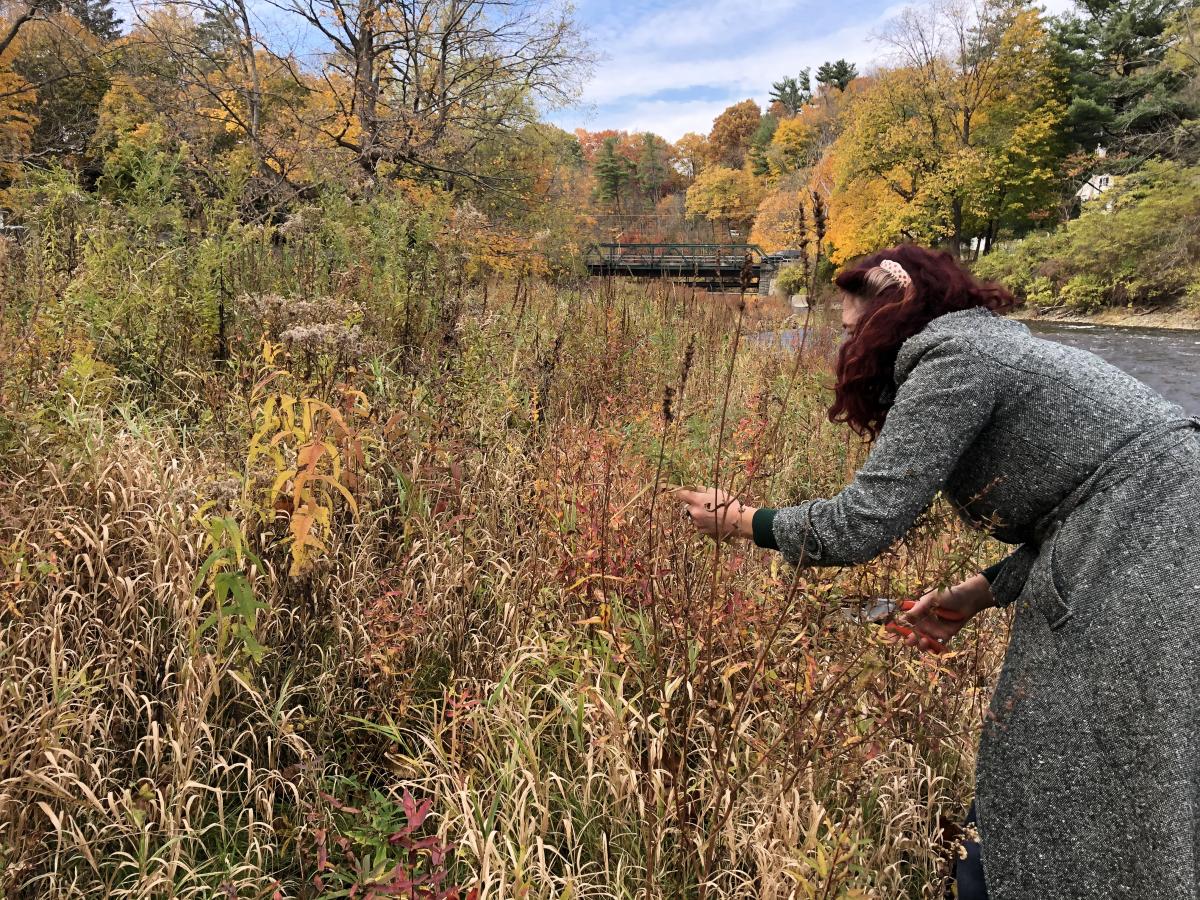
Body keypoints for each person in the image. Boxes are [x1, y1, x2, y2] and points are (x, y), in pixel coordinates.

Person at [676, 244, 1200, 899]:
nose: (848, 346)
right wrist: (981, 592)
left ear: (897, 297)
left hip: (1155, 546)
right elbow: (1077, 510)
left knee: (1082, 754)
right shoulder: (985, 346)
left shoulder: (956, 357)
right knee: (1115, 757)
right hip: (1157, 537)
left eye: (852, 327)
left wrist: (742, 521)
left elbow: (862, 522)